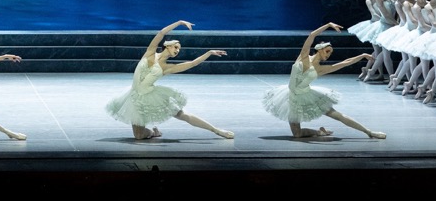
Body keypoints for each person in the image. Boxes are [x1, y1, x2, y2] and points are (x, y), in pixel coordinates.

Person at [105, 20, 234, 140]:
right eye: (176, 47)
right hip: (134, 96)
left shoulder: (167, 68)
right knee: (139, 136)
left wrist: (209, 53)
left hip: (150, 95)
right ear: (167, 45)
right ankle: (153, 132)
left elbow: (192, 63)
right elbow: (162, 33)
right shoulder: (150, 52)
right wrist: (179, 22)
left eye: (179, 49)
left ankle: (217, 130)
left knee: (182, 115)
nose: (177, 50)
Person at [262, 22, 386, 139]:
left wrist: (362, 55)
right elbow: (312, 35)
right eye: (327, 51)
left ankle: (369, 132)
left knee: (338, 115)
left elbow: (345, 63)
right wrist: (328, 25)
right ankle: (320, 132)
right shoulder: (303, 57)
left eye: (330, 53)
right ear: (319, 49)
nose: (328, 55)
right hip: (290, 96)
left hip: (307, 96)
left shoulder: (321, 69)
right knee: (297, 134)